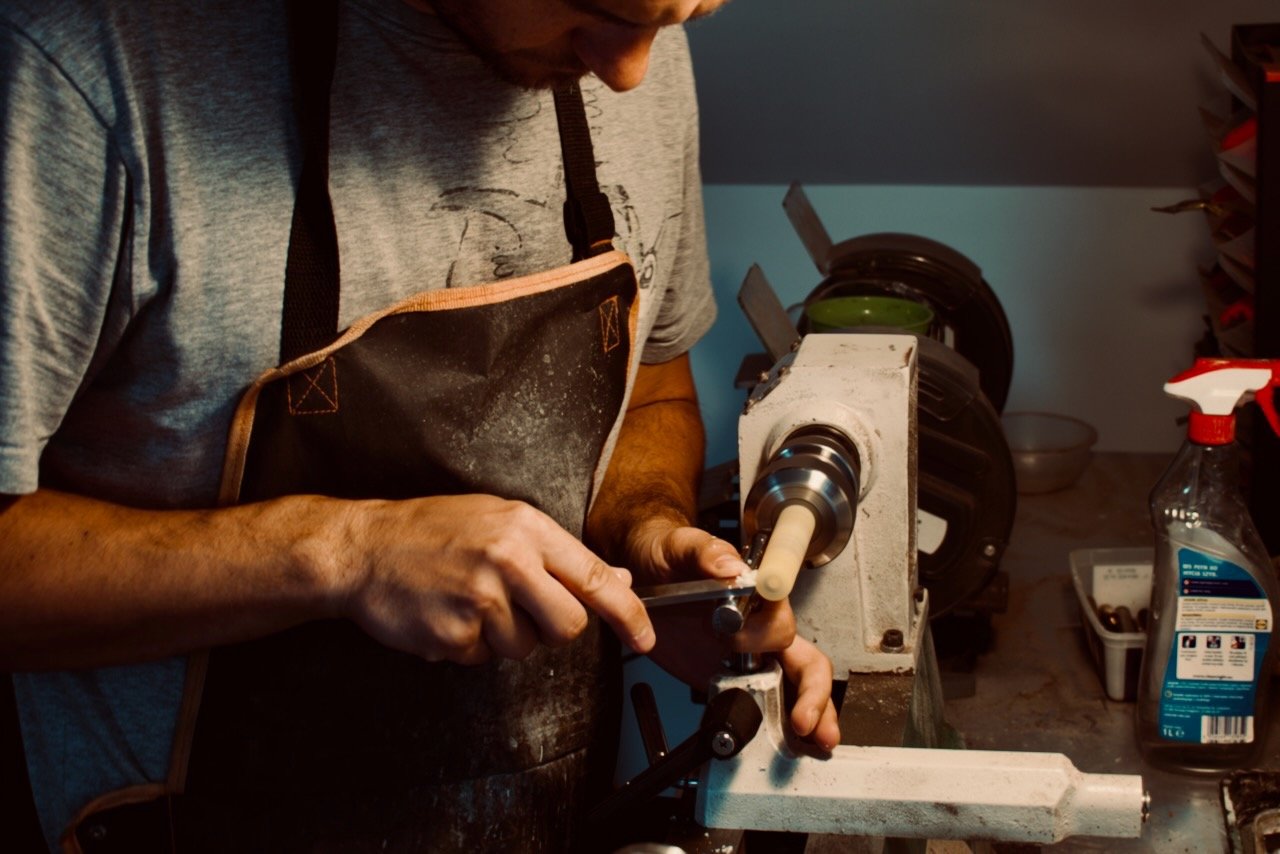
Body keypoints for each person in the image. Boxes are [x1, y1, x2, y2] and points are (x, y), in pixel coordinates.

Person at [0, 0, 840, 851]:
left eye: (688, 13)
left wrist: (649, 542)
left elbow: (653, 389)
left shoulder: (634, 43)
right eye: (603, 8)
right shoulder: (88, 67)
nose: (633, 71)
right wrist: (345, 553)